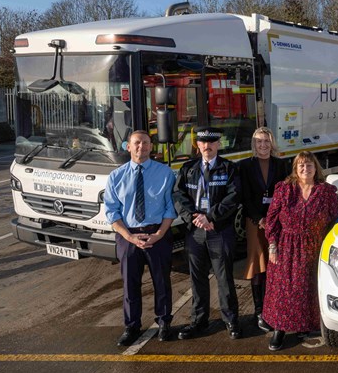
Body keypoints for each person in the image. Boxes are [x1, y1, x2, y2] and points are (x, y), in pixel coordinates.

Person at [104, 130, 177, 347]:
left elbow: (170, 209)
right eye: (136, 143)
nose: (141, 147)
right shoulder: (115, 177)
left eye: (145, 143)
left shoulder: (165, 173)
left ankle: (164, 322)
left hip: (157, 233)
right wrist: (129, 237)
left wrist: (158, 235)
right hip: (128, 235)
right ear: (128, 146)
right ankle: (132, 326)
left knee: (162, 282)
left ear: (151, 147)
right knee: (130, 283)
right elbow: (112, 213)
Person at [263, 151, 338, 351]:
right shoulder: (284, 189)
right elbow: (271, 220)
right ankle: (279, 330)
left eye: (309, 165)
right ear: (296, 169)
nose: (305, 169)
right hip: (287, 247)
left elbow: (335, 220)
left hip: (315, 248)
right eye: (301, 166)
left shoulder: (326, 192)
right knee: (283, 290)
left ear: (316, 168)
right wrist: (272, 246)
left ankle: (303, 327)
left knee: (309, 289)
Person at [174, 126, 243, 340]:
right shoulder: (188, 169)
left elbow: (234, 197)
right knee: (198, 279)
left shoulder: (229, 168)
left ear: (218, 144)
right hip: (195, 232)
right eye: (203, 142)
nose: (207, 146)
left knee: (224, 278)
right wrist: (193, 218)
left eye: (211, 142)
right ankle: (199, 321)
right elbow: (178, 196)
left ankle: (231, 320)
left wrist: (211, 217)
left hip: (219, 230)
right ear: (197, 145)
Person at [239, 127, 288, 332]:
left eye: (266, 141)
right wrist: (260, 219)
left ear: (272, 143)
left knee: (276, 266)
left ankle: (275, 307)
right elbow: (245, 196)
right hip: (255, 222)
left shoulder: (282, 165)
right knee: (258, 266)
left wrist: (274, 219)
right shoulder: (245, 166)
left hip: (278, 222)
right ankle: (260, 311)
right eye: (259, 141)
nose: (263, 145)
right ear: (254, 144)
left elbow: (286, 194)